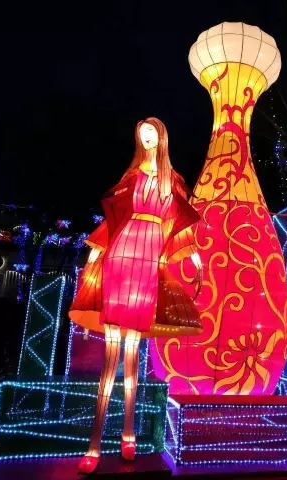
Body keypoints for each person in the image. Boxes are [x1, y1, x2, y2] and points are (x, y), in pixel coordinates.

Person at [69, 117, 203, 474]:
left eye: (151, 134)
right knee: (112, 352)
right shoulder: (131, 177)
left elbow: (181, 224)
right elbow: (114, 218)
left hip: (150, 256)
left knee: (133, 351)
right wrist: (96, 253)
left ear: (162, 137)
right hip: (122, 252)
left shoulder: (173, 181)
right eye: (142, 135)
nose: (147, 139)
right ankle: (95, 442)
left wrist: (194, 257)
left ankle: (128, 432)